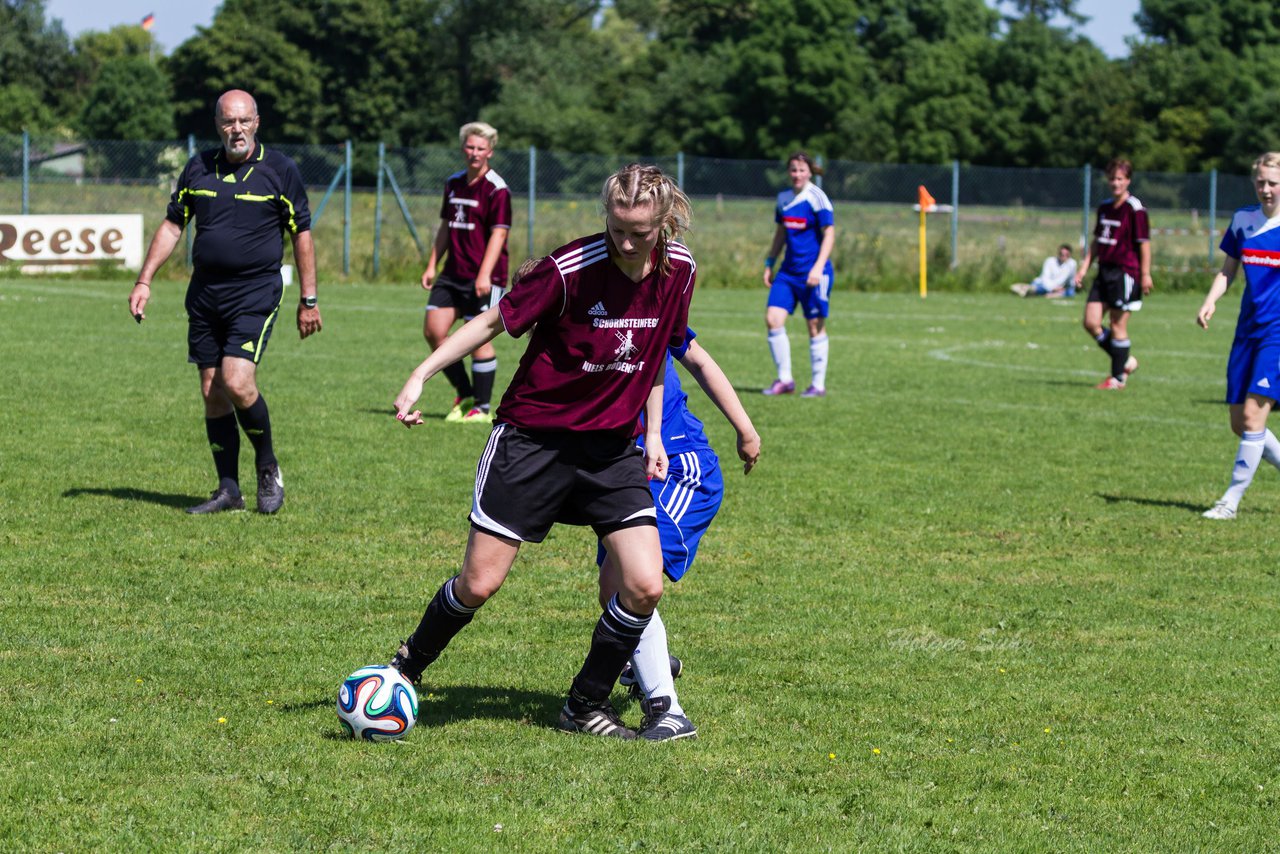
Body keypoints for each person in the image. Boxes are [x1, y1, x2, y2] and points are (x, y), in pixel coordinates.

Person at [389, 164, 696, 740]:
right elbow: (488, 324)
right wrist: (421, 374)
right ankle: (405, 667)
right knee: (478, 584)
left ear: (666, 222)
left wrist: (652, 435)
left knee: (644, 583)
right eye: (616, 228)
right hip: (535, 442)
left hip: (610, 451)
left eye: (640, 232)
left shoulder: (679, 271)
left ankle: (583, 706)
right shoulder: (569, 269)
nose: (626, 243)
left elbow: (656, 353)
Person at [127, 89, 321, 515]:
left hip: (255, 293)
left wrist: (309, 299)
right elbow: (173, 226)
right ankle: (228, 490)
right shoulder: (198, 167)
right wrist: (144, 280)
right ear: (217, 125)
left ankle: (267, 466)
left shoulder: (280, 170)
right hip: (205, 294)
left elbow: (301, 235)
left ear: (257, 122)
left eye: (244, 121)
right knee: (212, 392)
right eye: (228, 122)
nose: (237, 129)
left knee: (236, 381)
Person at [597, 326, 761, 740]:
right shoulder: (579, 326)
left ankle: (667, 711)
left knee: (630, 582)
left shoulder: (652, 308)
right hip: (630, 470)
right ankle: (650, 663)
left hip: (680, 469)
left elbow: (701, 361)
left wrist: (745, 429)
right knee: (612, 588)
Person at [1196, 152, 1280, 520]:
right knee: (1240, 424)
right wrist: (1210, 300)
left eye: (1273, 183)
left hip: (1277, 335)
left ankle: (1229, 501)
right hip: (1247, 330)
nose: (1266, 189)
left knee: (1252, 417)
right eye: (1260, 182)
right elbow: (1229, 270)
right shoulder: (1243, 220)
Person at [420, 121, 511, 424]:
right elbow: (446, 227)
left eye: (480, 148)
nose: (474, 153)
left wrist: (484, 275)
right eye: (470, 147)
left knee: (478, 340)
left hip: (485, 278)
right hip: (452, 274)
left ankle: (482, 409)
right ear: (463, 148)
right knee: (434, 331)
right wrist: (433, 263)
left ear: (490, 152)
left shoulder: (497, 190)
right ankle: (466, 394)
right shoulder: (454, 184)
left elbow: (498, 235)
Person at [1074, 159, 1153, 390]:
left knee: (1117, 325)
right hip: (1104, 272)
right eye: (1112, 179)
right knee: (1091, 322)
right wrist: (1083, 268)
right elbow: (1097, 242)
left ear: (1128, 180)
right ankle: (1125, 360)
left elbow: (1144, 244)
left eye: (1120, 179)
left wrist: (1146, 274)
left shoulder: (1135, 209)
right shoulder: (1105, 207)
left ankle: (1117, 378)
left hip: (1125, 273)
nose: (1115, 183)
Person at [761, 151, 835, 398]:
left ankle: (818, 385)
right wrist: (770, 261)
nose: (797, 174)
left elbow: (830, 235)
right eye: (793, 169)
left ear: (810, 172)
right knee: (773, 319)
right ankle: (785, 380)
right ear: (788, 172)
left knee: (814, 326)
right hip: (788, 273)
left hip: (815, 273)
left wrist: (817, 267)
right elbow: (781, 234)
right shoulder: (783, 198)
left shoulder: (818, 199)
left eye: (802, 170)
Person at [1010, 244, 1077, 298]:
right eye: (1061, 254)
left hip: (1060, 288)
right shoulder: (1050, 261)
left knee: (1070, 292)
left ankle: (1050, 294)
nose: (1063, 256)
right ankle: (1029, 290)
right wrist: (1053, 288)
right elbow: (1045, 278)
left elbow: (1071, 281)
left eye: (1066, 255)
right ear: (1058, 253)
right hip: (1044, 284)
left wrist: (1064, 288)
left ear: (1069, 255)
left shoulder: (1072, 264)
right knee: (1039, 287)